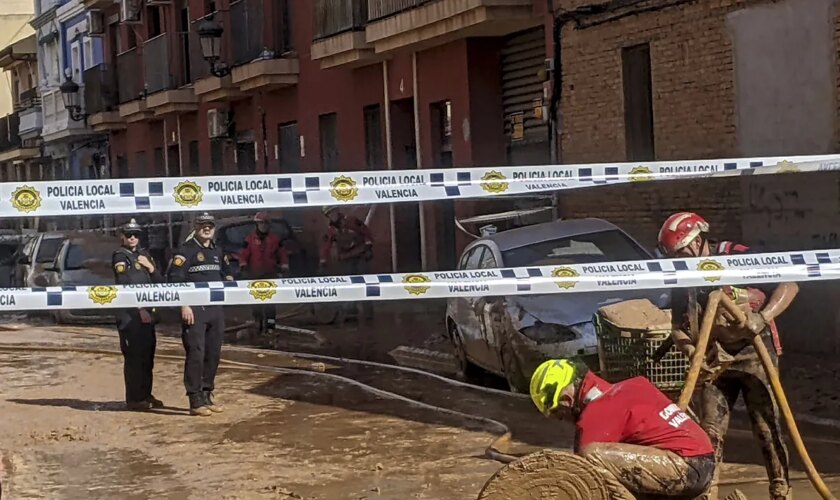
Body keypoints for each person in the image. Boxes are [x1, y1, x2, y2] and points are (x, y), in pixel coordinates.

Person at [658, 211, 798, 500]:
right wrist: (691, 350)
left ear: (698, 242)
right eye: (673, 256)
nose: (679, 260)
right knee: (708, 432)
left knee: (766, 426)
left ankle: (781, 490)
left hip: (756, 353)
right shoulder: (683, 275)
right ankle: (705, 493)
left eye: (682, 252)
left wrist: (763, 317)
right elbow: (676, 326)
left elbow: (790, 282)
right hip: (714, 359)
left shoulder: (737, 256)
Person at [529, 358, 716, 498]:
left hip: (687, 468)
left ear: (566, 401)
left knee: (590, 457)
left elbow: (579, 475)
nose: (562, 420)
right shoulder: (631, 386)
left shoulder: (597, 414)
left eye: (557, 414)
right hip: (703, 460)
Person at [167, 212, 234, 417]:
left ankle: (207, 394)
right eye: (203, 225)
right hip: (194, 310)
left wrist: (230, 279)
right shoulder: (185, 251)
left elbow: (228, 272)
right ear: (195, 228)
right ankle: (195, 400)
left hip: (215, 309)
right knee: (196, 353)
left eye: (210, 226)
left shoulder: (217, 250)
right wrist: (184, 305)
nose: (207, 228)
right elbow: (174, 280)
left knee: (213, 353)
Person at [112, 219, 164, 411]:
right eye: (129, 235)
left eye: (136, 235)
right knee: (134, 358)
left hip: (148, 315)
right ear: (122, 237)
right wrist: (139, 308)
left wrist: (150, 267)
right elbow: (124, 284)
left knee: (148, 357)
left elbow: (160, 281)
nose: (133, 238)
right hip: (131, 316)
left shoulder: (144, 255)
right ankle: (134, 399)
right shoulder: (120, 256)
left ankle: (145, 394)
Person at [319, 206, 374, 322]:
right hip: (346, 258)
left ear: (337, 211)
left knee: (365, 283)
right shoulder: (331, 230)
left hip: (360, 255)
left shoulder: (351, 220)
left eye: (332, 212)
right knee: (349, 284)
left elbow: (366, 232)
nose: (331, 216)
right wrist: (323, 262)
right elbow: (325, 246)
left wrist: (369, 247)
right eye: (329, 214)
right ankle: (351, 311)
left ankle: (368, 311)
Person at [239, 212, 289, 334]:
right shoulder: (249, 239)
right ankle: (258, 322)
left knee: (271, 301)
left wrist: (284, 265)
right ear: (256, 224)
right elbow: (243, 254)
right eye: (261, 223)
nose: (263, 225)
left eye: (266, 223)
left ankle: (271, 325)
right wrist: (243, 265)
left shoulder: (275, 239)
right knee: (256, 300)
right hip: (255, 275)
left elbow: (282, 254)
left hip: (270, 274)